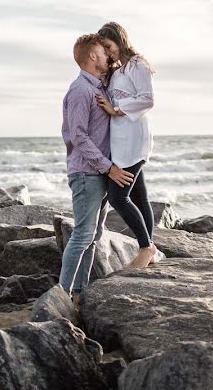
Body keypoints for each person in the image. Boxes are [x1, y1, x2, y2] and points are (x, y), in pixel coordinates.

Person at [58, 33, 135, 306]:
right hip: (87, 172)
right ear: (93, 57)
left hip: (99, 173)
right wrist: (108, 168)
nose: (107, 57)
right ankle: (61, 295)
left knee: (94, 237)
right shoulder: (80, 90)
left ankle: (79, 293)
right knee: (81, 235)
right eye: (103, 53)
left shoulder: (99, 88)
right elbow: (78, 136)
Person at [94, 22, 158, 269]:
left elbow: (147, 99)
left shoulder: (137, 65)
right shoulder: (118, 70)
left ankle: (145, 247)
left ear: (120, 40)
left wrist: (117, 109)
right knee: (140, 197)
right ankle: (149, 250)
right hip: (120, 140)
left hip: (134, 138)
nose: (108, 52)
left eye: (109, 46)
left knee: (118, 197)